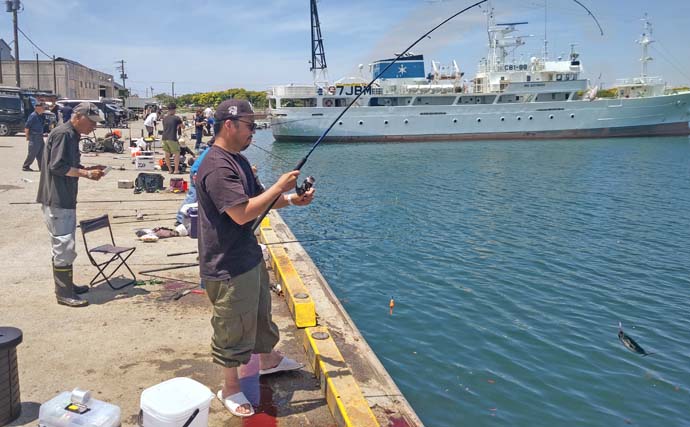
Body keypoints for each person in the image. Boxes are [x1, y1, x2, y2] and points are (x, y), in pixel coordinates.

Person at [196, 99, 315, 418]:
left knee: (261, 313)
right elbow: (240, 213)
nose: (254, 131)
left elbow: (260, 202)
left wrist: (291, 199)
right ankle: (230, 387)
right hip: (226, 264)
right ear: (229, 125)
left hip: (247, 255)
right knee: (232, 325)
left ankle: (268, 360)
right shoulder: (217, 166)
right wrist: (279, 184)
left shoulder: (240, 162)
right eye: (250, 125)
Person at [36, 103, 105, 307]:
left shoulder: (72, 135)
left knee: (66, 244)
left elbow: (69, 164)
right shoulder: (64, 134)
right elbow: (57, 166)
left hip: (64, 198)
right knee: (63, 244)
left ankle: (67, 285)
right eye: (91, 122)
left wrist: (87, 168)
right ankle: (63, 292)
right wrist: (86, 174)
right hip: (57, 199)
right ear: (78, 117)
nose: (93, 127)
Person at [22, 102, 47, 171]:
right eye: (42, 108)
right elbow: (27, 127)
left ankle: (42, 168)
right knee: (32, 152)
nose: (44, 109)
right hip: (34, 136)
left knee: (42, 153)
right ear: (37, 108)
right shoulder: (33, 116)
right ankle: (26, 166)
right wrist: (27, 136)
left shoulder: (41, 115)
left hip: (40, 136)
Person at [161, 103, 184, 174]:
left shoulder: (164, 118)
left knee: (167, 154)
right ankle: (176, 170)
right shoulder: (176, 118)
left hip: (164, 137)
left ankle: (170, 169)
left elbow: (167, 127)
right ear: (174, 110)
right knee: (177, 153)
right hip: (172, 137)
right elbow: (183, 126)